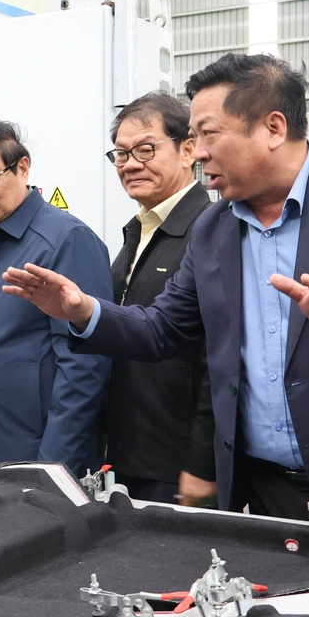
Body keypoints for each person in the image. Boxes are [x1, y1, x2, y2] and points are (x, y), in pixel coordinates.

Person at [3, 54, 309, 539]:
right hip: (268, 495)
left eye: (209, 135)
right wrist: (85, 312)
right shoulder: (215, 226)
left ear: (273, 128)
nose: (197, 153)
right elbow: (163, 329)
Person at [0, 119, 112, 474]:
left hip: (32, 460)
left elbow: (83, 369)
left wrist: (52, 468)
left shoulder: (65, 240)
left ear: (22, 168)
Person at [104, 92, 216, 505]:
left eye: (146, 149)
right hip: (129, 452)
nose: (131, 164)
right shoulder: (139, 229)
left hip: (178, 464)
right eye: (120, 154)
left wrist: (202, 461)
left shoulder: (207, 230)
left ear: (188, 150)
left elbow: (217, 359)